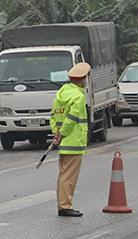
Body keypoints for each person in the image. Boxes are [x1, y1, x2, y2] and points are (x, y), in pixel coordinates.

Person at [50, 62, 90, 218]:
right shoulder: (78, 97)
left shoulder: (61, 93)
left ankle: (63, 204)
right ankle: (65, 206)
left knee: (63, 175)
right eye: (85, 78)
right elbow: (72, 118)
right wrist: (63, 133)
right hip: (73, 141)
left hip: (63, 142)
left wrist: (56, 134)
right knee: (69, 177)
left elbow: (54, 116)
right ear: (81, 80)